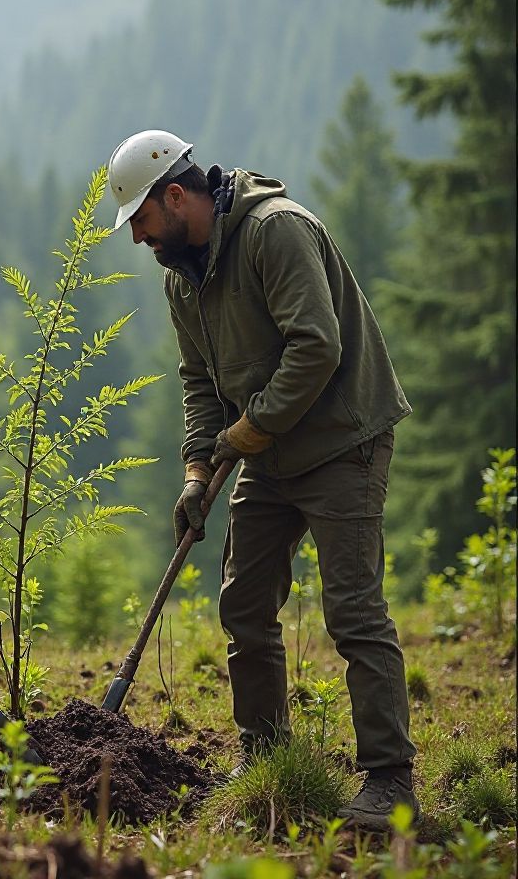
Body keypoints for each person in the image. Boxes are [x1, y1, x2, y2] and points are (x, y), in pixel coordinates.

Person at [107, 130, 418, 830]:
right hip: (269, 455)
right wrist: (196, 471)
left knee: (353, 611)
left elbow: (317, 345)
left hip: (343, 442)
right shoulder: (182, 276)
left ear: (176, 196)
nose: (139, 240)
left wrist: (249, 432)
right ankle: (266, 754)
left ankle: (390, 780)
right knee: (243, 606)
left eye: (141, 222)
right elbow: (199, 382)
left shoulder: (277, 232)